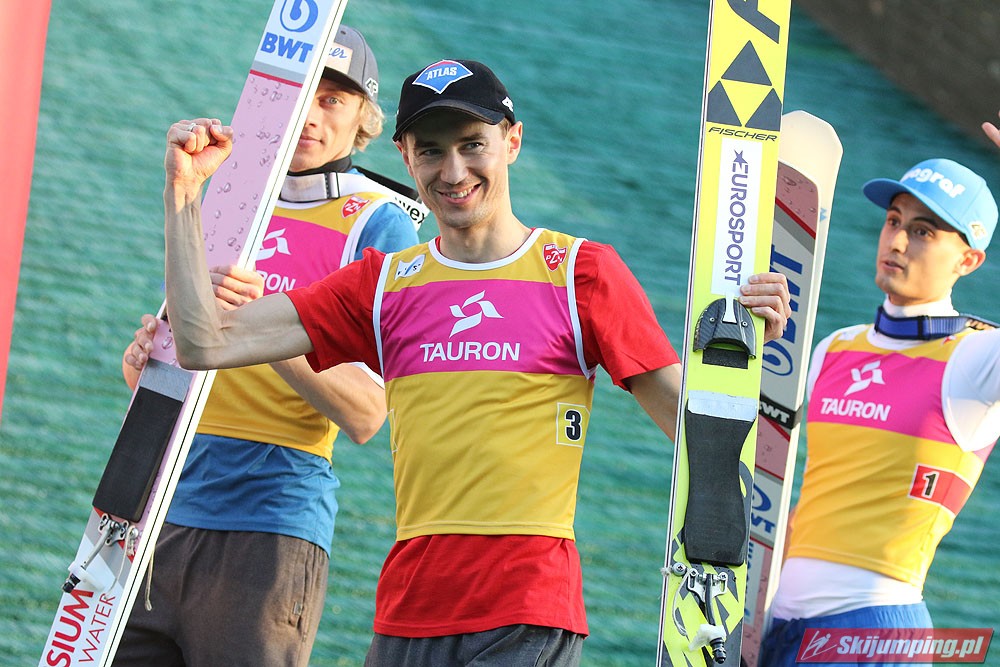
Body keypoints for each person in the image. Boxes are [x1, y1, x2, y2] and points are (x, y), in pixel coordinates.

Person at [158, 59, 791, 666]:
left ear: (512, 142)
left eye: (472, 145)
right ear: (405, 157)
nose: (453, 170)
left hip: (525, 611)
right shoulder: (382, 284)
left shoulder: (581, 273)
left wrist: (741, 353)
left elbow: (694, 426)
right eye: (431, 150)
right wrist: (184, 193)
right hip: (407, 612)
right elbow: (204, 343)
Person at [114, 25, 422, 667]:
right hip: (157, 509)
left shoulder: (382, 222)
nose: (310, 115)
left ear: (362, 122)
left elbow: (367, 412)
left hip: (268, 525)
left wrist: (262, 328)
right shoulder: (227, 193)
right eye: (302, 94)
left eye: (332, 100)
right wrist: (145, 361)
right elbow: (184, 362)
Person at [760, 144, 999, 666]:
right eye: (894, 221)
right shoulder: (834, 348)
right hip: (779, 629)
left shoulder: (979, 357)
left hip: (874, 633)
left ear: (968, 260)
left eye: (924, 231)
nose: (897, 240)